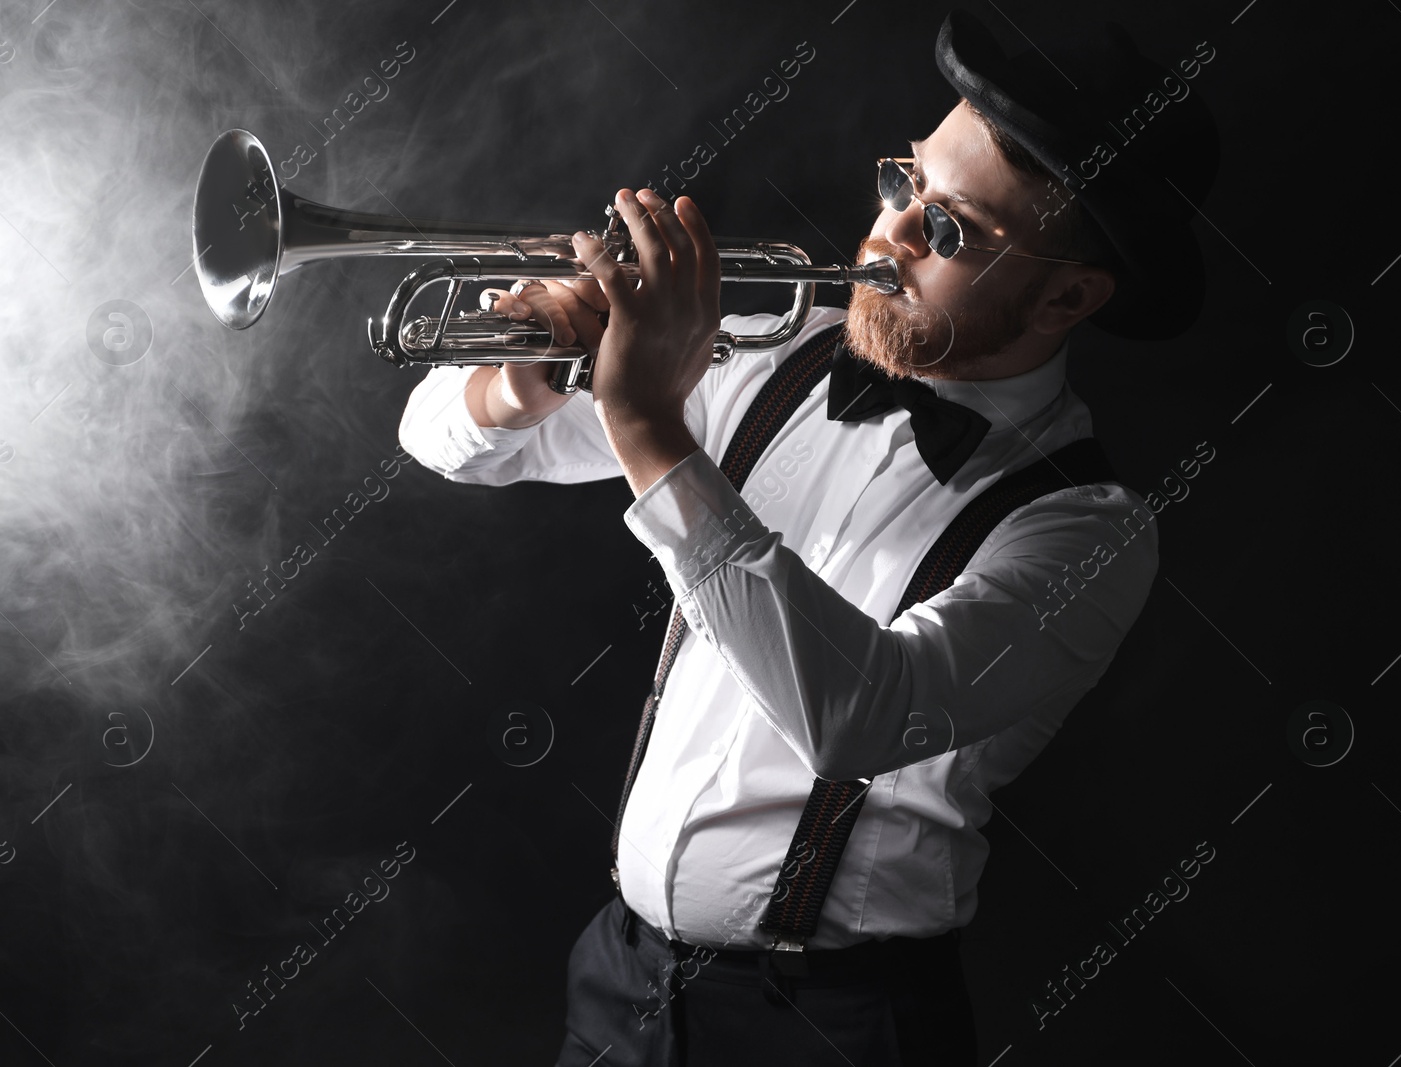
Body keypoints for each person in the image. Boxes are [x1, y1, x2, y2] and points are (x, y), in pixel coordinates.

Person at [398, 9, 1218, 1065]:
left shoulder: (1087, 529)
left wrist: (646, 425)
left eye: (953, 230)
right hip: (619, 980)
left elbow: (862, 713)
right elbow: (447, 444)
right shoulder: (777, 342)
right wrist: (534, 362)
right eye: (901, 184)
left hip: (835, 1026)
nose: (891, 237)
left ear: (1067, 293)